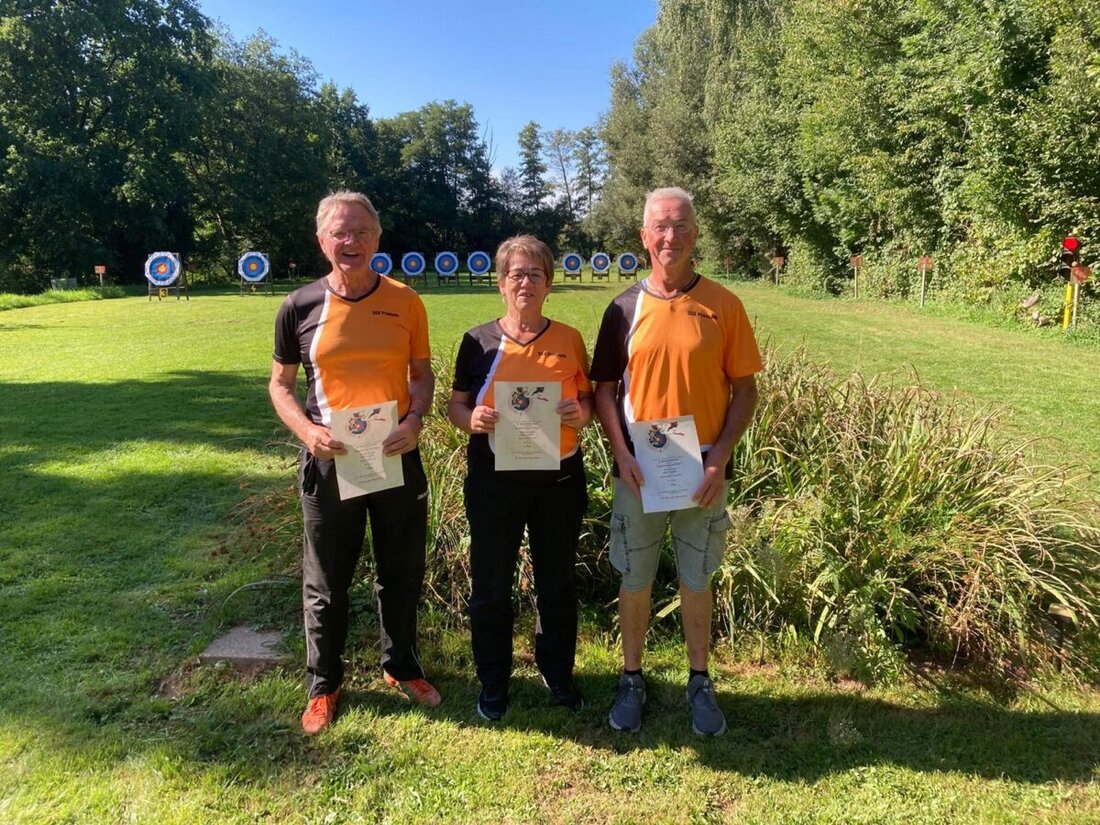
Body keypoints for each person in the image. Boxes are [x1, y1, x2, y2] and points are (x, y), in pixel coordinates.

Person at [589, 187, 762, 736]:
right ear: (644, 236)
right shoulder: (621, 308)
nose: (671, 236)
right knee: (634, 579)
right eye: (660, 226)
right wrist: (620, 453)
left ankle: (699, 680)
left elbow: (745, 391)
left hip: (702, 473)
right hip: (637, 473)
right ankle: (632, 678)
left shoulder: (724, 304)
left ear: (695, 233)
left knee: (697, 577)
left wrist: (720, 460)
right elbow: (603, 391)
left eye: (681, 225)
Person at [268, 190, 441, 736]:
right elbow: (279, 385)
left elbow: (421, 374)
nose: (351, 242)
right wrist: (307, 431)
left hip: (394, 458)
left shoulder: (407, 301)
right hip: (329, 461)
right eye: (340, 233)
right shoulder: (298, 306)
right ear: (322, 241)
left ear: (377, 239)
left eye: (361, 232)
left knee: (402, 571)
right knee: (326, 583)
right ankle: (324, 685)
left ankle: (401, 666)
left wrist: (415, 422)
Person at [447, 235, 593, 721]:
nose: (525, 282)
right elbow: (456, 404)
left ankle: (558, 673)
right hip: (495, 482)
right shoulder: (477, 340)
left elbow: (589, 402)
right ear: (501, 283)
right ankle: (493, 680)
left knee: (556, 583)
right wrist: (470, 421)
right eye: (516, 274)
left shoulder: (569, 338)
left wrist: (581, 412)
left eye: (535, 274)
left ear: (549, 283)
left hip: (559, 482)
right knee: (491, 585)